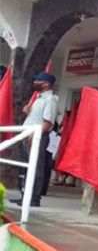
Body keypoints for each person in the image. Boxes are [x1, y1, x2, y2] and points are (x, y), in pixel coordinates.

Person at [11, 72, 59, 207]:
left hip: (38, 137)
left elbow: (48, 122)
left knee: (36, 168)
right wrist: (27, 112)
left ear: (46, 83)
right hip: (28, 134)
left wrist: (35, 135)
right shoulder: (38, 98)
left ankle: (34, 198)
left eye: (38, 81)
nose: (35, 82)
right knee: (26, 168)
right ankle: (25, 195)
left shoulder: (50, 100)